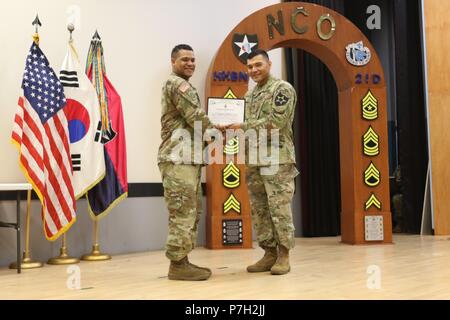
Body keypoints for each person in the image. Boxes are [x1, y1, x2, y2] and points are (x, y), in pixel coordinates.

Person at [228, 49, 299, 275]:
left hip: (277, 158)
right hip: (254, 160)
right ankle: (269, 253)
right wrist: (225, 123)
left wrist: (242, 126)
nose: (254, 70)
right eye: (250, 67)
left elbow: (276, 123)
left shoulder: (282, 89)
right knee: (260, 209)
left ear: (269, 64)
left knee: (279, 207)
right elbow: (240, 122)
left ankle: (284, 254)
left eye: (258, 65)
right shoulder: (250, 96)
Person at [158, 44, 218, 281]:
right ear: (173, 61)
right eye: (184, 59)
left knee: (191, 211)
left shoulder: (184, 85)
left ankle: (183, 260)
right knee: (183, 211)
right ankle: (178, 265)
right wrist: (216, 131)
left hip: (186, 158)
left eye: (193, 60)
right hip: (177, 158)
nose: (191, 63)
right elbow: (195, 116)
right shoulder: (177, 84)